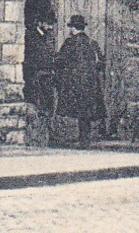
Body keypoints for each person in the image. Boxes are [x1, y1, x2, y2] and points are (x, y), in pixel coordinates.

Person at [55, 14, 107, 146]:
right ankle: (85, 138)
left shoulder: (70, 43)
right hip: (90, 83)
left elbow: (60, 61)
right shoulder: (92, 43)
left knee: (75, 110)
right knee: (87, 111)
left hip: (74, 82)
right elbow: (101, 63)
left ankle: (76, 137)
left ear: (73, 28)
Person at [24, 10, 58, 122]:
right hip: (35, 76)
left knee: (49, 104)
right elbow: (29, 57)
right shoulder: (30, 36)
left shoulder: (49, 37)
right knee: (36, 104)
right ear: (40, 23)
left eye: (52, 24)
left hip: (47, 75)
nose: (51, 27)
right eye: (48, 24)